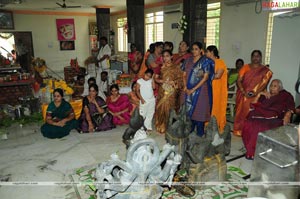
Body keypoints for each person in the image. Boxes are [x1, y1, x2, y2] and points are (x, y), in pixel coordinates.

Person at [242, 79, 295, 159]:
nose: (272, 88)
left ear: (280, 88)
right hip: (260, 115)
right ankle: (251, 151)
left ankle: (257, 151)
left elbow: (291, 106)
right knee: (248, 123)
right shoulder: (265, 95)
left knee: (260, 126)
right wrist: (259, 94)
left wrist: (288, 114)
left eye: (275, 86)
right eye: (271, 86)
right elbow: (253, 105)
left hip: (274, 117)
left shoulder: (285, 95)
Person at [233, 50, 273, 136]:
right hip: (243, 94)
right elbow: (239, 81)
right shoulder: (245, 67)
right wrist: (244, 92)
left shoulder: (265, 70)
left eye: (258, 56)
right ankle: (239, 130)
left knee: (253, 113)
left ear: (261, 57)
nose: (256, 58)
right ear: (251, 57)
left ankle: (250, 131)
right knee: (242, 111)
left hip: (257, 95)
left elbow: (263, 84)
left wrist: (263, 92)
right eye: (254, 56)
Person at [183, 42, 215, 137]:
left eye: (196, 49)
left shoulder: (206, 61)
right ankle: (190, 128)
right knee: (188, 109)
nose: (194, 51)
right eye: (193, 49)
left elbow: (205, 78)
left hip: (201, 90)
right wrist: (185, 86)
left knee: (199, 109)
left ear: (201, 50)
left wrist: (193, 89)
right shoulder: (188, 60)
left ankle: (200, 132)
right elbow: (184, 74)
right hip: (187, 89)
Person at [155, 50, 183, 134]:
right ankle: (162, 125)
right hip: (162, 90)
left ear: (171, 57)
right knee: (162, 107)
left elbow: (181, 80)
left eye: (167, 56)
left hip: (172, 91)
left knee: (172, 108)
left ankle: (172, 126)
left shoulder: (176, 67)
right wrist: (163, 81)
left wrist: (173, 83)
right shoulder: (160, 67)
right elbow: (156, 79)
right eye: (163, 56)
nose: (165, 58)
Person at [206, 45, 228, 133]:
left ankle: (217, 126)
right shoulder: (207, 62)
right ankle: (207, 126)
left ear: (211, 52)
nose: (206, 53)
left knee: (216, 107)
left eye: (207, 52)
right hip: (208, 89)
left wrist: (206, 76)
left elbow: (218, 75)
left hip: (217, 90)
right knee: (208, 107)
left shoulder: (220, 62)